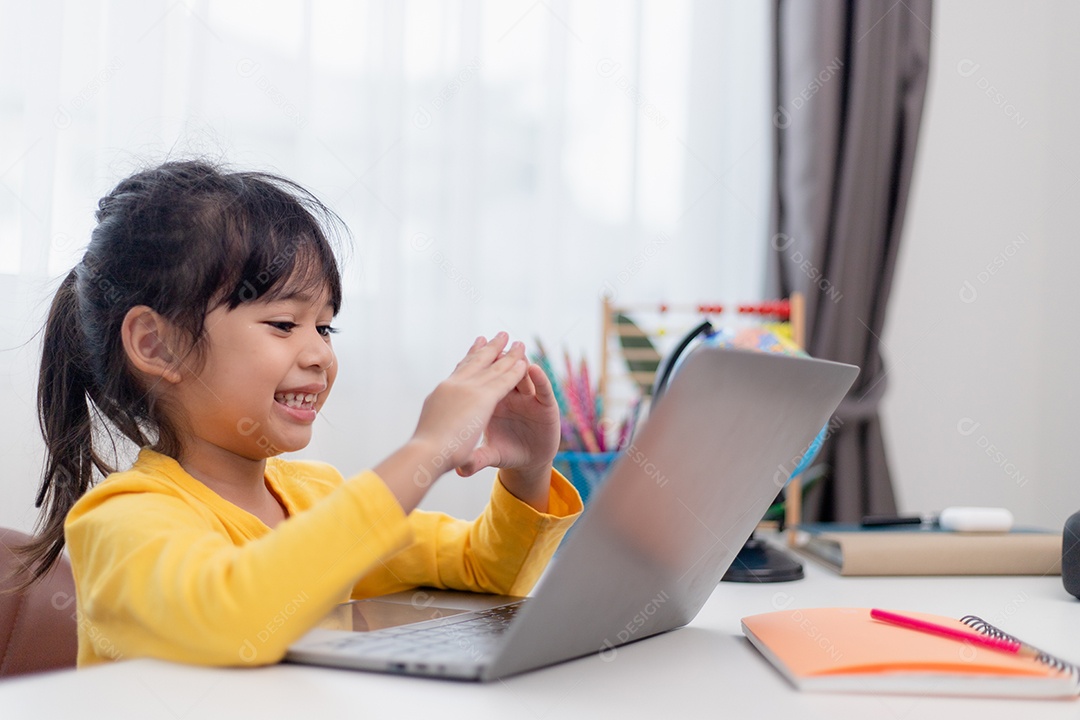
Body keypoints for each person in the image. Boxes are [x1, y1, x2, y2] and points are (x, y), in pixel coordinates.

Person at [21, 160, 582, 667]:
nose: (319, 354)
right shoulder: (120, 520)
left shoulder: (318, 498)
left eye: (326, 326)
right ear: (157, 345)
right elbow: (237, 616)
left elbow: (487, 574)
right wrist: (425, 450)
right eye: (284, 324)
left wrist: (527, 471)